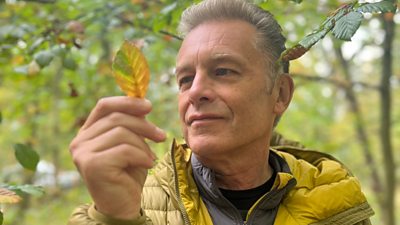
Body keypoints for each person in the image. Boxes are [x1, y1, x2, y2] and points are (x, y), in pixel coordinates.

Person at [68, 0, 374, 224]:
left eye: (223, 71)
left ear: (280, 94)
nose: (195, 92)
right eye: (185, 79)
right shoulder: (126, 202)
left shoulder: (336, 202)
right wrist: (117, 219)